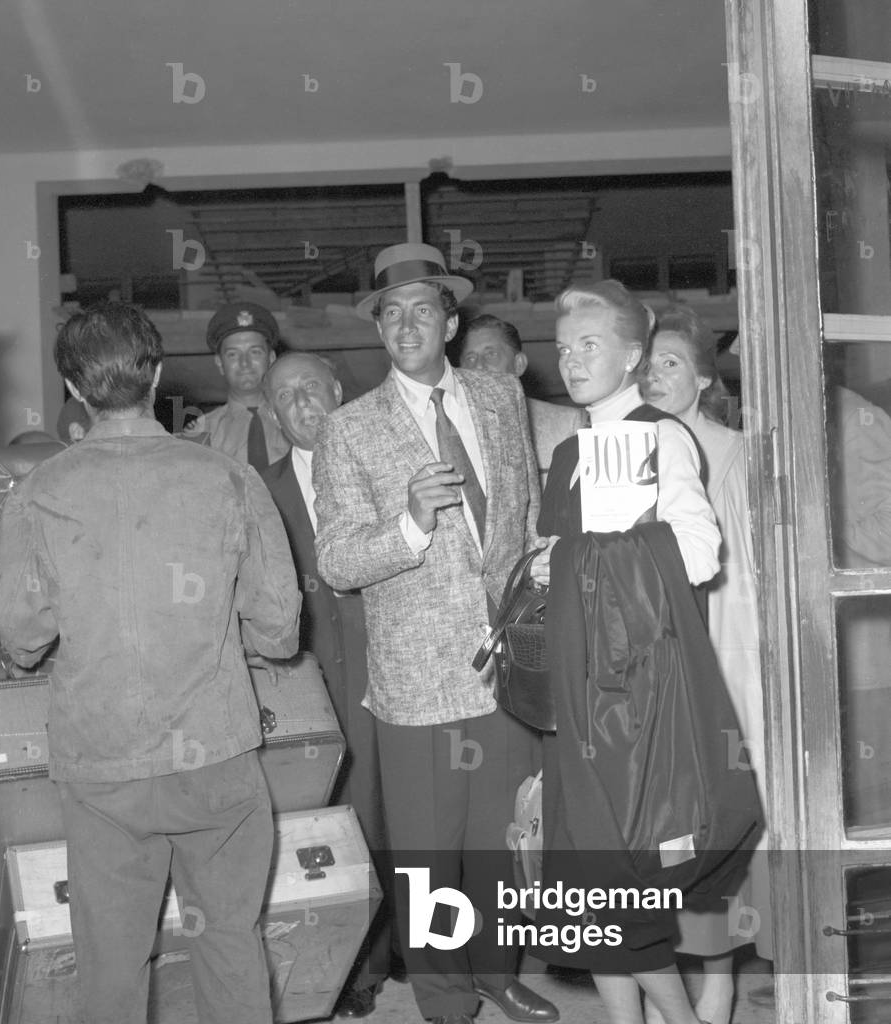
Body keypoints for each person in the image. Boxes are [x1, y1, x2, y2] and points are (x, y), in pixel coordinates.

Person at [0, 302, 300, 1024]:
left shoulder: (38, 493)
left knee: (111, 962)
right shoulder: (229, 480)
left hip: (102, 767)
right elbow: (281, 630)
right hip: (216, 757)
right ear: (157, 374)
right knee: (228, 941)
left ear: (73, 387)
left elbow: (22, 635)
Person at [313, 243, 559, 1024]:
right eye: (391, 312)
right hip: (418, 681)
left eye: (423, 309)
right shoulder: (350, 430)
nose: (406, 324)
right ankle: (445, 996)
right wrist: (410, 524)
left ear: (450, 322)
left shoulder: (496, 398)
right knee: (428, 854)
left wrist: (542, 570)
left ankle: (497, 971)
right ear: (379, 328)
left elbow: (519, 517)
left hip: (509, 667)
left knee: (503, 837)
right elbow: (338, 561)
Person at [530, 281, 722, 1024]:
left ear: (633, 355)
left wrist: (579, 559)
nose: (572, 362)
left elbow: (701, 553)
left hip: (632, 706)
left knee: (621, 893)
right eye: (564, 348)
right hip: (572, 695)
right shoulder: (571, 451)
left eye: (591, 346)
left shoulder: (660, 437)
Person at [641, 305, 770, 1024]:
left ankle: (717, 981)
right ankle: (669, 980)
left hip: (723, 656)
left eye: (672, 364)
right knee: (663, 832)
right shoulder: (623, 451)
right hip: (652, 663)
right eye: (649, 363)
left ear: (702, 378)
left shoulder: (739, 452)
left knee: (719, 825)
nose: (657, 376)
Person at [261, 351, 396, 1019]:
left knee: (408, 817)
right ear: (273, 415)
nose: (303, 402)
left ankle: (429, 952)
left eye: (312, 387)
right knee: (337, 824)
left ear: (340, 392)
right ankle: (356, 971)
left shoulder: (386, 467)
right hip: (309, 682)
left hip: (395, 666)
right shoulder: (257, 488)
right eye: (285, 396)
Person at [458, 314, 582, 488]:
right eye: (470, 358)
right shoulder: (449, 429)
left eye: (490, 354)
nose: (478, 366)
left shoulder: (567, 425)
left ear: (519, 364)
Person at [186, 300, 289, 470]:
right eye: (233, 354)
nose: (245, 363)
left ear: (271, 358)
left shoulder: (296, 420)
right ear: (220, 363)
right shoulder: (200, 434)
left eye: (255, 352)